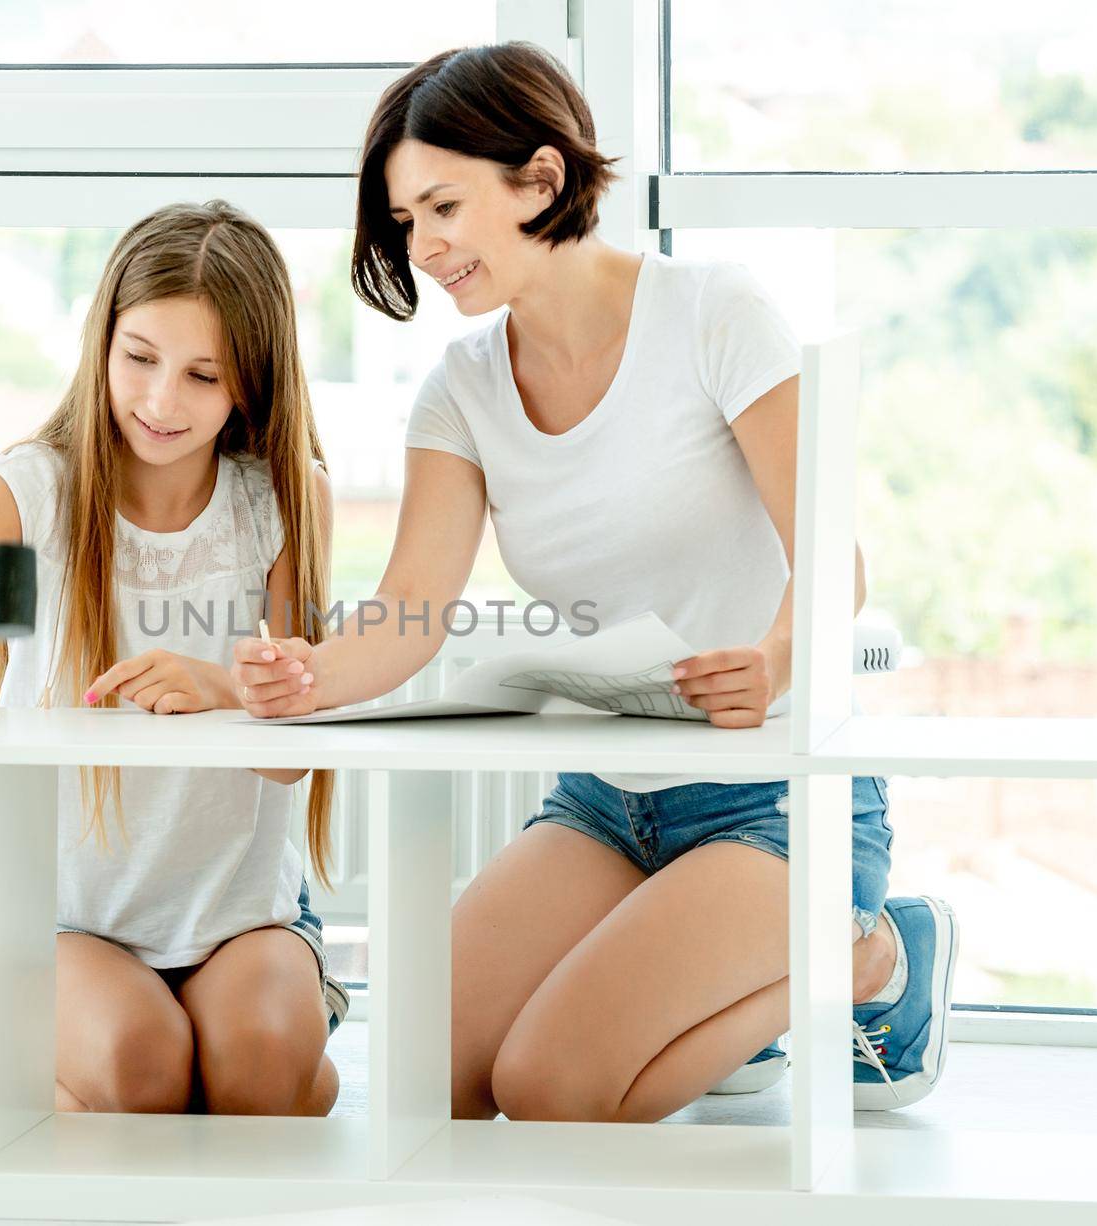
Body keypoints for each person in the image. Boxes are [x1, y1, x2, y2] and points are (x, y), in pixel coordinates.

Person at [232, 43, 959, 1121]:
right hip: (612, 798)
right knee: (430, 1071)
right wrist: (305, 670)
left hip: (778, 796)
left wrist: (771, 659)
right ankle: (722, 1006)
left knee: (553, 1084)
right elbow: (408, 616)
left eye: (442, 206)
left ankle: (870, 955)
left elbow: (832, 554)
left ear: (541, 178)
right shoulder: (462, 390)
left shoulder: (715, 314)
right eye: (403, 222)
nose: (423, 247)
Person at [0, 200, 348, 1117]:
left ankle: (274, 1086)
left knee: (262, 1065)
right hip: (68, 915)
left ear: (251, 385)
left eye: (203, 375)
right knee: (141, 1071)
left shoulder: (282, 497)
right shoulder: (35, 490)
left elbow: (291, 750)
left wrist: (231, 689)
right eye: (140, 358)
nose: (161, 401)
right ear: (101, 341)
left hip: (244, 912)